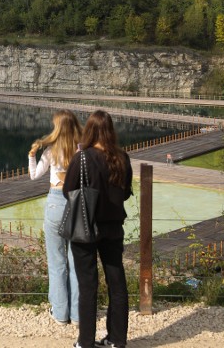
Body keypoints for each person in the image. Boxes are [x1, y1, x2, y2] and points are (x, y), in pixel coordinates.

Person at [63, 110, 133, 348]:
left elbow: (68, 192)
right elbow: (124, 193)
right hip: (113, 228)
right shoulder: (122, 157)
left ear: (89, 130)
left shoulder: (82, 158)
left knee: (88, 285)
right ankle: (117, 339)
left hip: (85, 227)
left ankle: (85, 342)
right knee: (117, 282)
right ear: (111, 130)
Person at [28, 110, 83, 326]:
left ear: (57, 128)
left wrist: (32, 156)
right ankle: (79, 315)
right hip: (77, 202)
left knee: (57, 261)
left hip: (55, 202)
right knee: (76, 260)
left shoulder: (51, 151)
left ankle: (60, 313)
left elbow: (34, 175)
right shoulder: (82, 151)